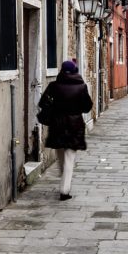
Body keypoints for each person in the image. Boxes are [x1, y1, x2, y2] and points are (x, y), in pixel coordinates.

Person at [39, 59, 93, 200]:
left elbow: (42, 102)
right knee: (69, 157)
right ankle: (64, 190)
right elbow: (87, 106)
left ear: (62, 71)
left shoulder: (53, 86)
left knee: (61, 155)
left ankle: (64, 179)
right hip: (74, 125)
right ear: (75, 71)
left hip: (57, 124)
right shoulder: (81, 87)